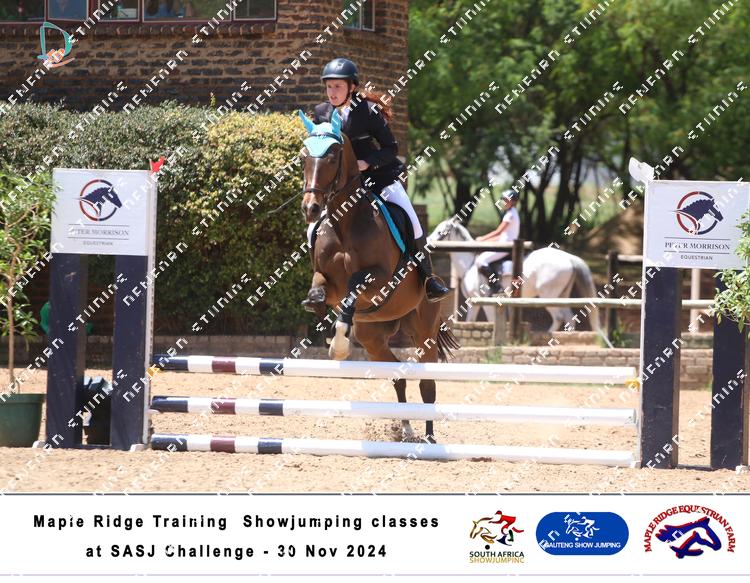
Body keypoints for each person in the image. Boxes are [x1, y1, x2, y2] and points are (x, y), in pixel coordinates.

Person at [308, 57, 449, 303]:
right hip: (342, 185)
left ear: (352, 86)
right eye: (329, 86)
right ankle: (319, 279)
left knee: (410, 218)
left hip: (378, 177)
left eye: (338, 86)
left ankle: (428, 278)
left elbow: (391, 148)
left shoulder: (368, 111)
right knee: (313, 228)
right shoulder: (322, 113)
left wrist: (368, 162)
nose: (332, 92)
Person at [474, 189, 520, 290]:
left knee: (480, 261)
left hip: (505, 247)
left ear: (513, 202)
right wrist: (485, 241)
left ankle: (496, 287)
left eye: (506, 200)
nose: (504, 201)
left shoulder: (510, 215)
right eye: (503, 199)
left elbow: (498, 232)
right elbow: (501, 236)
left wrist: (482, 239)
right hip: (503, 244)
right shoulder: (512, 213)